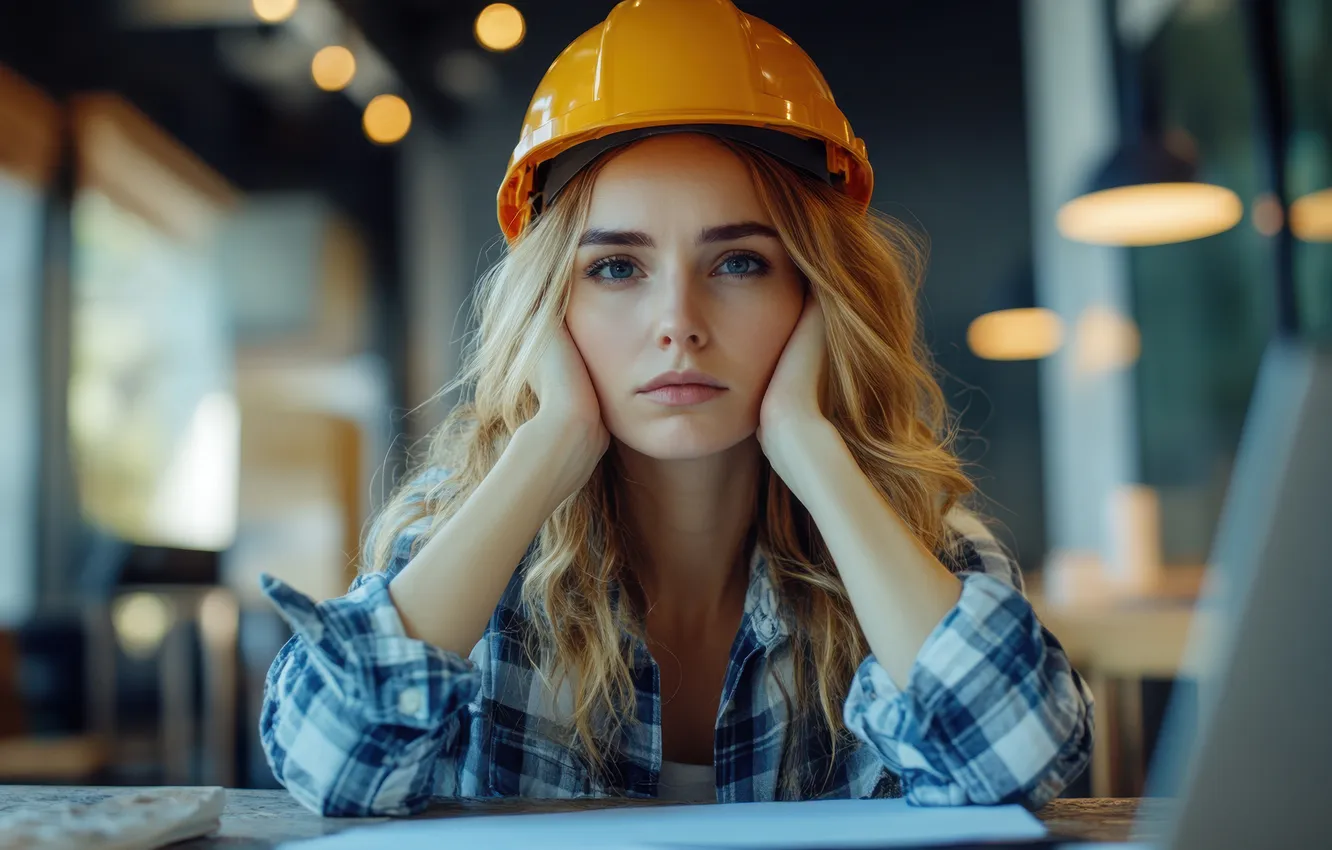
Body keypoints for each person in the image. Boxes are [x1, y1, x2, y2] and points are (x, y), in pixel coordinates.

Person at [259, 0, 1093, 816]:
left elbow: (1019, 760)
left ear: (817, 296)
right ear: (549, 308)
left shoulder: (921, 544)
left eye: (739, 263)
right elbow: (328, 768)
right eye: (616, 268)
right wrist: (549, 446)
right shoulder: (458, 529)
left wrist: (810, 446)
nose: (679, 325)